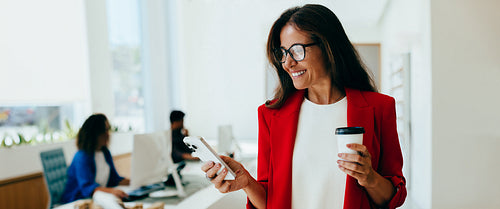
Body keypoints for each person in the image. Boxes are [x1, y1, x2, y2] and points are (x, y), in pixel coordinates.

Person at [201, 4, 406, 209]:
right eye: (283, 53)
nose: (287, 63)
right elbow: (271, 202)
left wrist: (369, 177)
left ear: (328, 46)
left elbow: (393, 197)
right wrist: (246, 181)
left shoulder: (379, 108)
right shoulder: (270, 115)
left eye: (297, 51)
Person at [61, 113, 130, 203]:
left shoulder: (105, 152)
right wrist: (112, 191)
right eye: (104, 131)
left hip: (98, 198)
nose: (108, 134)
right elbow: (87, 188)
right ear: (94, 134)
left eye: (108, 130)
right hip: (79, 201)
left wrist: (134, 181)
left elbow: (114, 179)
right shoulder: (82, 156)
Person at [164, 110, 198, 186]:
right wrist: (187, 156)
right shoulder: (169, 135)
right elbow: (174, 152)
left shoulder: (179, 133)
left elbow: (188, 148)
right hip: (173, 159)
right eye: (182, 121)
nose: (183, 123)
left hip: (180, 160)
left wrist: (187, 136)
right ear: (176, 122)